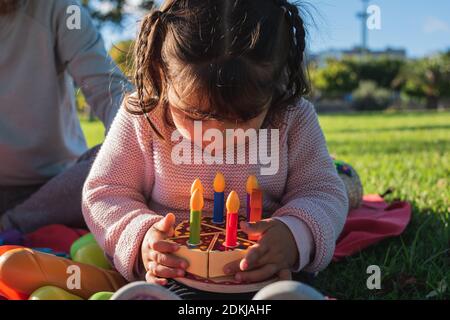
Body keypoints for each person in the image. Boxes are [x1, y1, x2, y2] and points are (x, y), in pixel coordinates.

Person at [82, 0, 349, 297]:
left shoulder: (292, 118)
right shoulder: (144, 116)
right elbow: (106, 192)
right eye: (195, 115)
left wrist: (294, 234)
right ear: (162, 74)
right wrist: (143, 238)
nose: (218, 135)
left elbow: (322, 191)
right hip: (176, 275)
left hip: (267, 273)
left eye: (243, 118)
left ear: (276, 85)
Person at [0, 0, 132, 233]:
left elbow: (109, 89)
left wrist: (138, 141)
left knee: (113, 160)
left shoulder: (62, 9)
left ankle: (12, 224)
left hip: (57, 190)